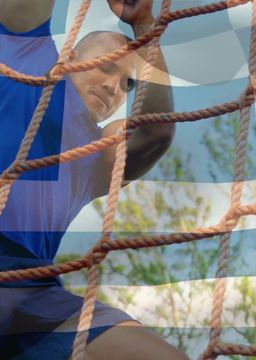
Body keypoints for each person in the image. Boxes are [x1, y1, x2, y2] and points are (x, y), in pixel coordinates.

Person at [0, 0, 188, 358]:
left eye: (127, 85)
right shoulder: (25, 65)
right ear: (68, 60)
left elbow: (155, 135)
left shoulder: (96, 153)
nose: (113, 87)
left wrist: (143, 25)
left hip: (31, 289)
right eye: (106, 67)